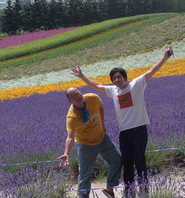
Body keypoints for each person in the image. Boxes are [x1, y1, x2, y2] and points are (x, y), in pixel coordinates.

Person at [70, 48, 174, 196]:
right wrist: (82, 76)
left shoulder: (136, 84)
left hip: (139, 130)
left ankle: (144, 192)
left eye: (119, 76)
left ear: (125, 77)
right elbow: (96, 86)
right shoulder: (114, 91)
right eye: (114, 78)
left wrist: (165, 58)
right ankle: (129, 192)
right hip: (124, 133)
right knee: (127, 164)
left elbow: (152, 71)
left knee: (140, 162)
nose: (116, 80)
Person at [57, 87, 122, 198]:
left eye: (78, 93)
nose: (77, 97)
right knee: (85, 175)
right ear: (70, 101)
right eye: (73, 96)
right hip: (86, 145)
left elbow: (100, 108)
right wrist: (66, 153)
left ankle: (109, 189)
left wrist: (103, 125)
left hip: (102, 139)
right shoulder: (72, 116)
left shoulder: (93, 98)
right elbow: (70, 137)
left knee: (117, 160)